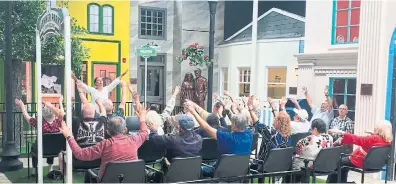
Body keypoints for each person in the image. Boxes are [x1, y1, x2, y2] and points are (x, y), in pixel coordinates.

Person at [58, 103, 149, 183]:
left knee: (89, 174)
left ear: (108, 132)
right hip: (131, 180)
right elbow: (144, 132)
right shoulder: (134, 140)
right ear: (125, 130)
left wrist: (69, 136)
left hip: (107, 180)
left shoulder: (105, 145)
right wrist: (142, 118)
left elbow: (79, 154)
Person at [326, 120, 393, 183]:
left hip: (360, 161)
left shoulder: (373, 138)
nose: (374, 128)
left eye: (377, 127)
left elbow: (357, 139)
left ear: (381, 130)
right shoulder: (387, 141)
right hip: (376, 165)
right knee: (344, 165)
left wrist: (340, 132)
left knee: (338, 162)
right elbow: (375, 141)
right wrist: (373, 134)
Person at [15, 98, 64, 177]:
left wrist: (22, 106)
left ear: (43, 115)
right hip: (55, 150)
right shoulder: (58, 122)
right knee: (51, 145)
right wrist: (60, 102)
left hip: (41, 149)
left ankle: (34, 169)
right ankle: (50, 167)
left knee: (34, 147)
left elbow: (27, 116)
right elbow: (61, 114)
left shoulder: (40, 123)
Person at [147, 114, 202, 179]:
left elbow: (154, 138)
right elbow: (191, 132)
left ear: (180, 128)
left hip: (173, 176)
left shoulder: (173, 140)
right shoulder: (199, 139)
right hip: (192, 176)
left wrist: (153, 129)